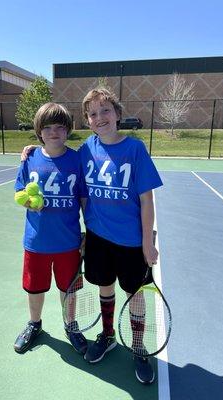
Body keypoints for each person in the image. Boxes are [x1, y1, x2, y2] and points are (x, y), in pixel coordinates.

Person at [21, 88, 163, 385]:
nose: (100, 118)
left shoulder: (135, 149)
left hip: (132, 241)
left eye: (106, 110)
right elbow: (63, 168)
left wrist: (148, 242)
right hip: (98, 239)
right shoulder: (87, 149)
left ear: (118, 114)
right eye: (93, 113)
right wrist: (29, 151)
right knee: (105, 287)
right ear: (87, 120)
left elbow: (147, 199)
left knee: (135, 294)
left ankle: (139, 348)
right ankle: (108, 334)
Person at [14, 102, 88, 356]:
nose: (53, 132)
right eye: (47, 128)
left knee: (68, 289)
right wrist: (27, 202)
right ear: (39, 131)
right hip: (36, 242)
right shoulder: (30, 158)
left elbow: (84, 200)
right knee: (34, 288)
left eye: (59, 127)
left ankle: (71, 325)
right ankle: (34, 324)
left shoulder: (77, 160)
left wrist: (87, 232)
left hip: (68, 242)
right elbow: (19, 192)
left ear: (68, 130)